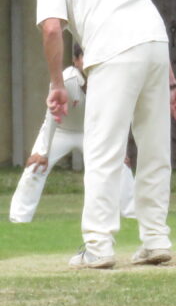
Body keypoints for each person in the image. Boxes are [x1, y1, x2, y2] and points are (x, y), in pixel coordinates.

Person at [36, 0, 176, 269]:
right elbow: (141, 10)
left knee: (103, 149)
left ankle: (99, 247)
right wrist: (171, 82)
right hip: (154, 44)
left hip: (113, 50)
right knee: (154, 148)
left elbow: (53, 28)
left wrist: (57, 84)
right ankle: (155, 240)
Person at [9, 44, 136, 223]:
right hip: (61, 131)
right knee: (35, 166)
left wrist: (120, 148)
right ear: (76, 60)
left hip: (93, 133)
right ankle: (19, 218)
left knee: (121, 165)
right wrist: (43, 151)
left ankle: (132, 215)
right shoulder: (66, 80)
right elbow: (52, 116)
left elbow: (117, 115)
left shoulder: (109, 80)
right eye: (84, 56)